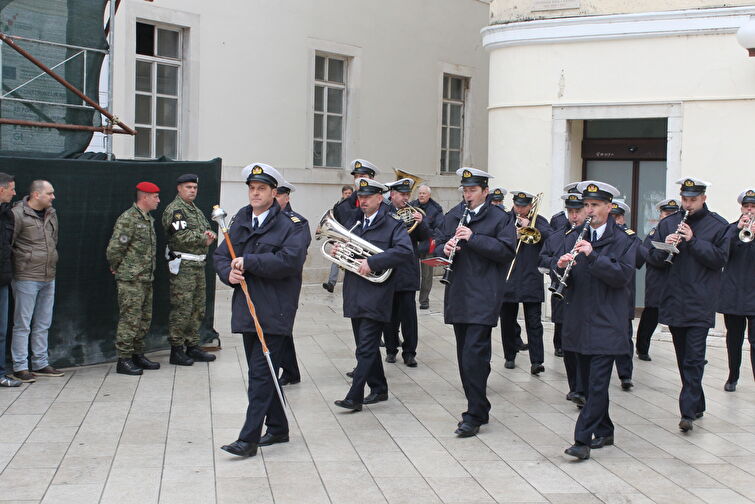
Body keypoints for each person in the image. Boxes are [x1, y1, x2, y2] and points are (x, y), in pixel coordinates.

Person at [215, 163, 308, 457]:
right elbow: (221, 255)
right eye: (252, 189)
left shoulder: (292, 225)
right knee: (265, 372)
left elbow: (290, 261)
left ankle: (248, 439)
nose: (255, 193)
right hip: (246, 309)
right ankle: (278, 429)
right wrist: (227, 274)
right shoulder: (241, 219)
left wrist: (250, 262)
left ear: (274, 193)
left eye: (262, 189)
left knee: (260, 376)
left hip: (274, 310)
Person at [555, 181, 637, 460]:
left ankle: (582, 440)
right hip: (579, 320)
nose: (589, 210)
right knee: (589, 385)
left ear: (609, 207)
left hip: (607, 322)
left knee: (598, 384)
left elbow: (623, 276)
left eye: (595, 205)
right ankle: (606, 429)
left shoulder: (624, 240)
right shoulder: (574, 236)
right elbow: (561, 275)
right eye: (586, 205)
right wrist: (561, 267)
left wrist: (594, 256)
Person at [436, 167, 516, 437]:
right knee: (465, 356)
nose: (467, 195)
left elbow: (507, 251)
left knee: (473, 355)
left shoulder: (500, 218)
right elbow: (434, 243)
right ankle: (479, 405)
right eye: (465, 190)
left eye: (472, 190)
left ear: (484, 191)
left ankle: (474, 414)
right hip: (458, 293)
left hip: (484, 294)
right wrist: (443, 247)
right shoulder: (455, 214)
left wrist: (474, 238)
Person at [646, 177, 729, 433]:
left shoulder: (718, 225)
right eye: (685, 199)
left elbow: (719, 259)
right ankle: (697, 401)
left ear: (703, 198)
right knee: (684, 358)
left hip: (700, 301)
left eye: (693, 200)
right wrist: (665, 247)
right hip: (674, 299)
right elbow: (653, 259)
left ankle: (687, 413)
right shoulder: (669, 223)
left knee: (694, 358)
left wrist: (693, 241)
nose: (688, 204)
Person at [333, 178, 413, 411]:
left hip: (377, 293)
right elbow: (343, 248)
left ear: (380, 198)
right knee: (363, 345)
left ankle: (354, 396)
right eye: (361, 196)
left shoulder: (393, 224)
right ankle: (379, 388)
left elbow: (404, 251)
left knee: (366, 347)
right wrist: (338, 250)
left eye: (368, 197)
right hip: (355, 292)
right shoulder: (355, 223)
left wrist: (373, 260)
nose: (363, 200)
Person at [9, 180, 63, 383]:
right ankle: (20, 366)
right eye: (50, 193)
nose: (53, 197)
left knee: (43, 322)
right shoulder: (17, 214)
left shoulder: (51, 213)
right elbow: (9, 243)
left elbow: (54, 239)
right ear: (36, 195)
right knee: (22, 324)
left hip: (49, 275)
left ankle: (40, 362)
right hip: (26, 276)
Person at [162, 173, 217, 367]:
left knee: (197, 308)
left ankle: (192, 345)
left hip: (198, 265)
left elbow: (204, 228)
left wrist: (209, 233)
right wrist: (203, 239)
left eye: (194, 187)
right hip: (184, 265)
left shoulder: (195, 209)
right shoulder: (176, 210)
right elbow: (179, 236)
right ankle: (177, 350)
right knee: (182, 308)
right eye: (188, 187)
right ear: (179, 188)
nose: (192, 190)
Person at [106, 182, 161, 376]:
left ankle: (138, 354)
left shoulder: (147, 219)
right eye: (155, 197)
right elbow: (115, 248)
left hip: (146, 277)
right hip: (131, 278)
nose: (158, 200)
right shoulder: (128, 218)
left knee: (143, 319)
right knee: (130, 319)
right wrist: (117, 267)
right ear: (145, 197)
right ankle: (124, 359)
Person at [540, 192, 586, 405]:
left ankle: (585, 386)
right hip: (563, 293)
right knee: (568, 343)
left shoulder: (592, 236)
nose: (574, 216)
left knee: (585, 343)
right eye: (570, 212)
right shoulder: (558, 235)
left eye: (578, 211)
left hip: (586, 297)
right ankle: (575, 387)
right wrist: (557, 263)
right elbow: (543, 258)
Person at [501, 191, 552, 375]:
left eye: (523, 206)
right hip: (509, 276)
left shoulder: (540, 220)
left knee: (534, 322)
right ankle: (509, 355)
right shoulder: (506, 219)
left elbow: (551, 238)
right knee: (507, 320)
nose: (520, 209)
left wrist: (530, 225)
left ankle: (537, 361)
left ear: (530, 206)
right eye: (517, 205)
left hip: (531, 277)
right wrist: (511, 234)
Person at [383, 178, 430, 367]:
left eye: (407, 195)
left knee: (409, 315)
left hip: (408, 270)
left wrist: (422, 223)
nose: (405, 198)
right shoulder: (383, 213)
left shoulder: (414, 213)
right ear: (392, 195)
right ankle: (391, 349)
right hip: (388, 270)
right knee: (389, 315)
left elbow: (426, 238)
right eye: (402, 195)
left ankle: (409, 352)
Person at [275, 180, 312, 386]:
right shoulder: (262, 218)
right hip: (266, 280)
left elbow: (296, 254)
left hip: (287, 281)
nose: (274, 198)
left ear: (287, 198)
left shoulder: (297, 222)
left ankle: (288, 371)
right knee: (278, 326)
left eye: (279, 195)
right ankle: (290, 371)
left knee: (282, 324)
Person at [717, 189, 755, 392]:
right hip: (733, 293)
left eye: (753, 207)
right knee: (734, 339)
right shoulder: (730, 229)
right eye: (746, 207)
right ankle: (733, 376)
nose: (749, 211)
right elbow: (720, 254)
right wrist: (736, 232)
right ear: (741, 208)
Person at [635, 197, 680, 361]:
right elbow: (647, 254)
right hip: (657, 279)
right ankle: (642, 347)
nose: (669, 216)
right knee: (651, 314)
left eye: (673, 213)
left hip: (675, 281)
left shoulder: (681, 231)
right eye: (666, 213)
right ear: (660, 214)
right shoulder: (655, 232)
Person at [609, 199, 639, 391]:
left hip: (624, 294)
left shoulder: (630, 237)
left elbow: (642, 257)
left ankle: (625, 374)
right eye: (612, 216)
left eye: (618, 217)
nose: (615, 220)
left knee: (624, 336)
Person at [0, 174, 20, 387]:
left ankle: (0, 374)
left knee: (2, 331)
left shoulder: (8, 215)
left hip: (3, 279)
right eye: (11, 189)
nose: (14, 193)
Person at [411, 184, 444, 310]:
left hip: (427, 243)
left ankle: (424, 300)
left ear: (429, 195)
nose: (421, 195)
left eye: (424, 193)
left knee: (427, 275)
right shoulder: (412, 204)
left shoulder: (436, 209)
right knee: (412, 272)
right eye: (420, 193)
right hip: (413, 243)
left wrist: (422, 221)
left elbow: (438, 230)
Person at [323, 185, 353, 293]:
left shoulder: (355, 206)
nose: (348, 195)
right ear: (342, 194)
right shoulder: (338, 206)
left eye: (350, 193)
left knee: (350, 261)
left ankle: (351, 284)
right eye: (346, 193)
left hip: (352, 237)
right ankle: (331, 283)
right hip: (341, 237)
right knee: (336, 258)